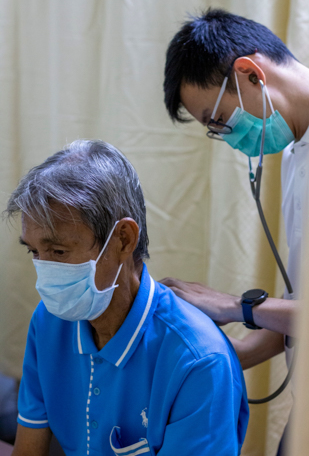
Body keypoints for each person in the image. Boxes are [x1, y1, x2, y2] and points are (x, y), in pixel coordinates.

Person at [5, 139, 248, 456]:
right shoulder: (50, 321)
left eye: (58, 251)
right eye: (34, 252)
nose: (45, 272)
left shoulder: (199, 362)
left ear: (123, 239)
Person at [162, 9, 309, 454]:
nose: (224, 136)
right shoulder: (298, 154)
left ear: (251, 73)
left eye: (217, 121)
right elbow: (306, 312)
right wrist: (218, 360)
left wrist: (234, 307)